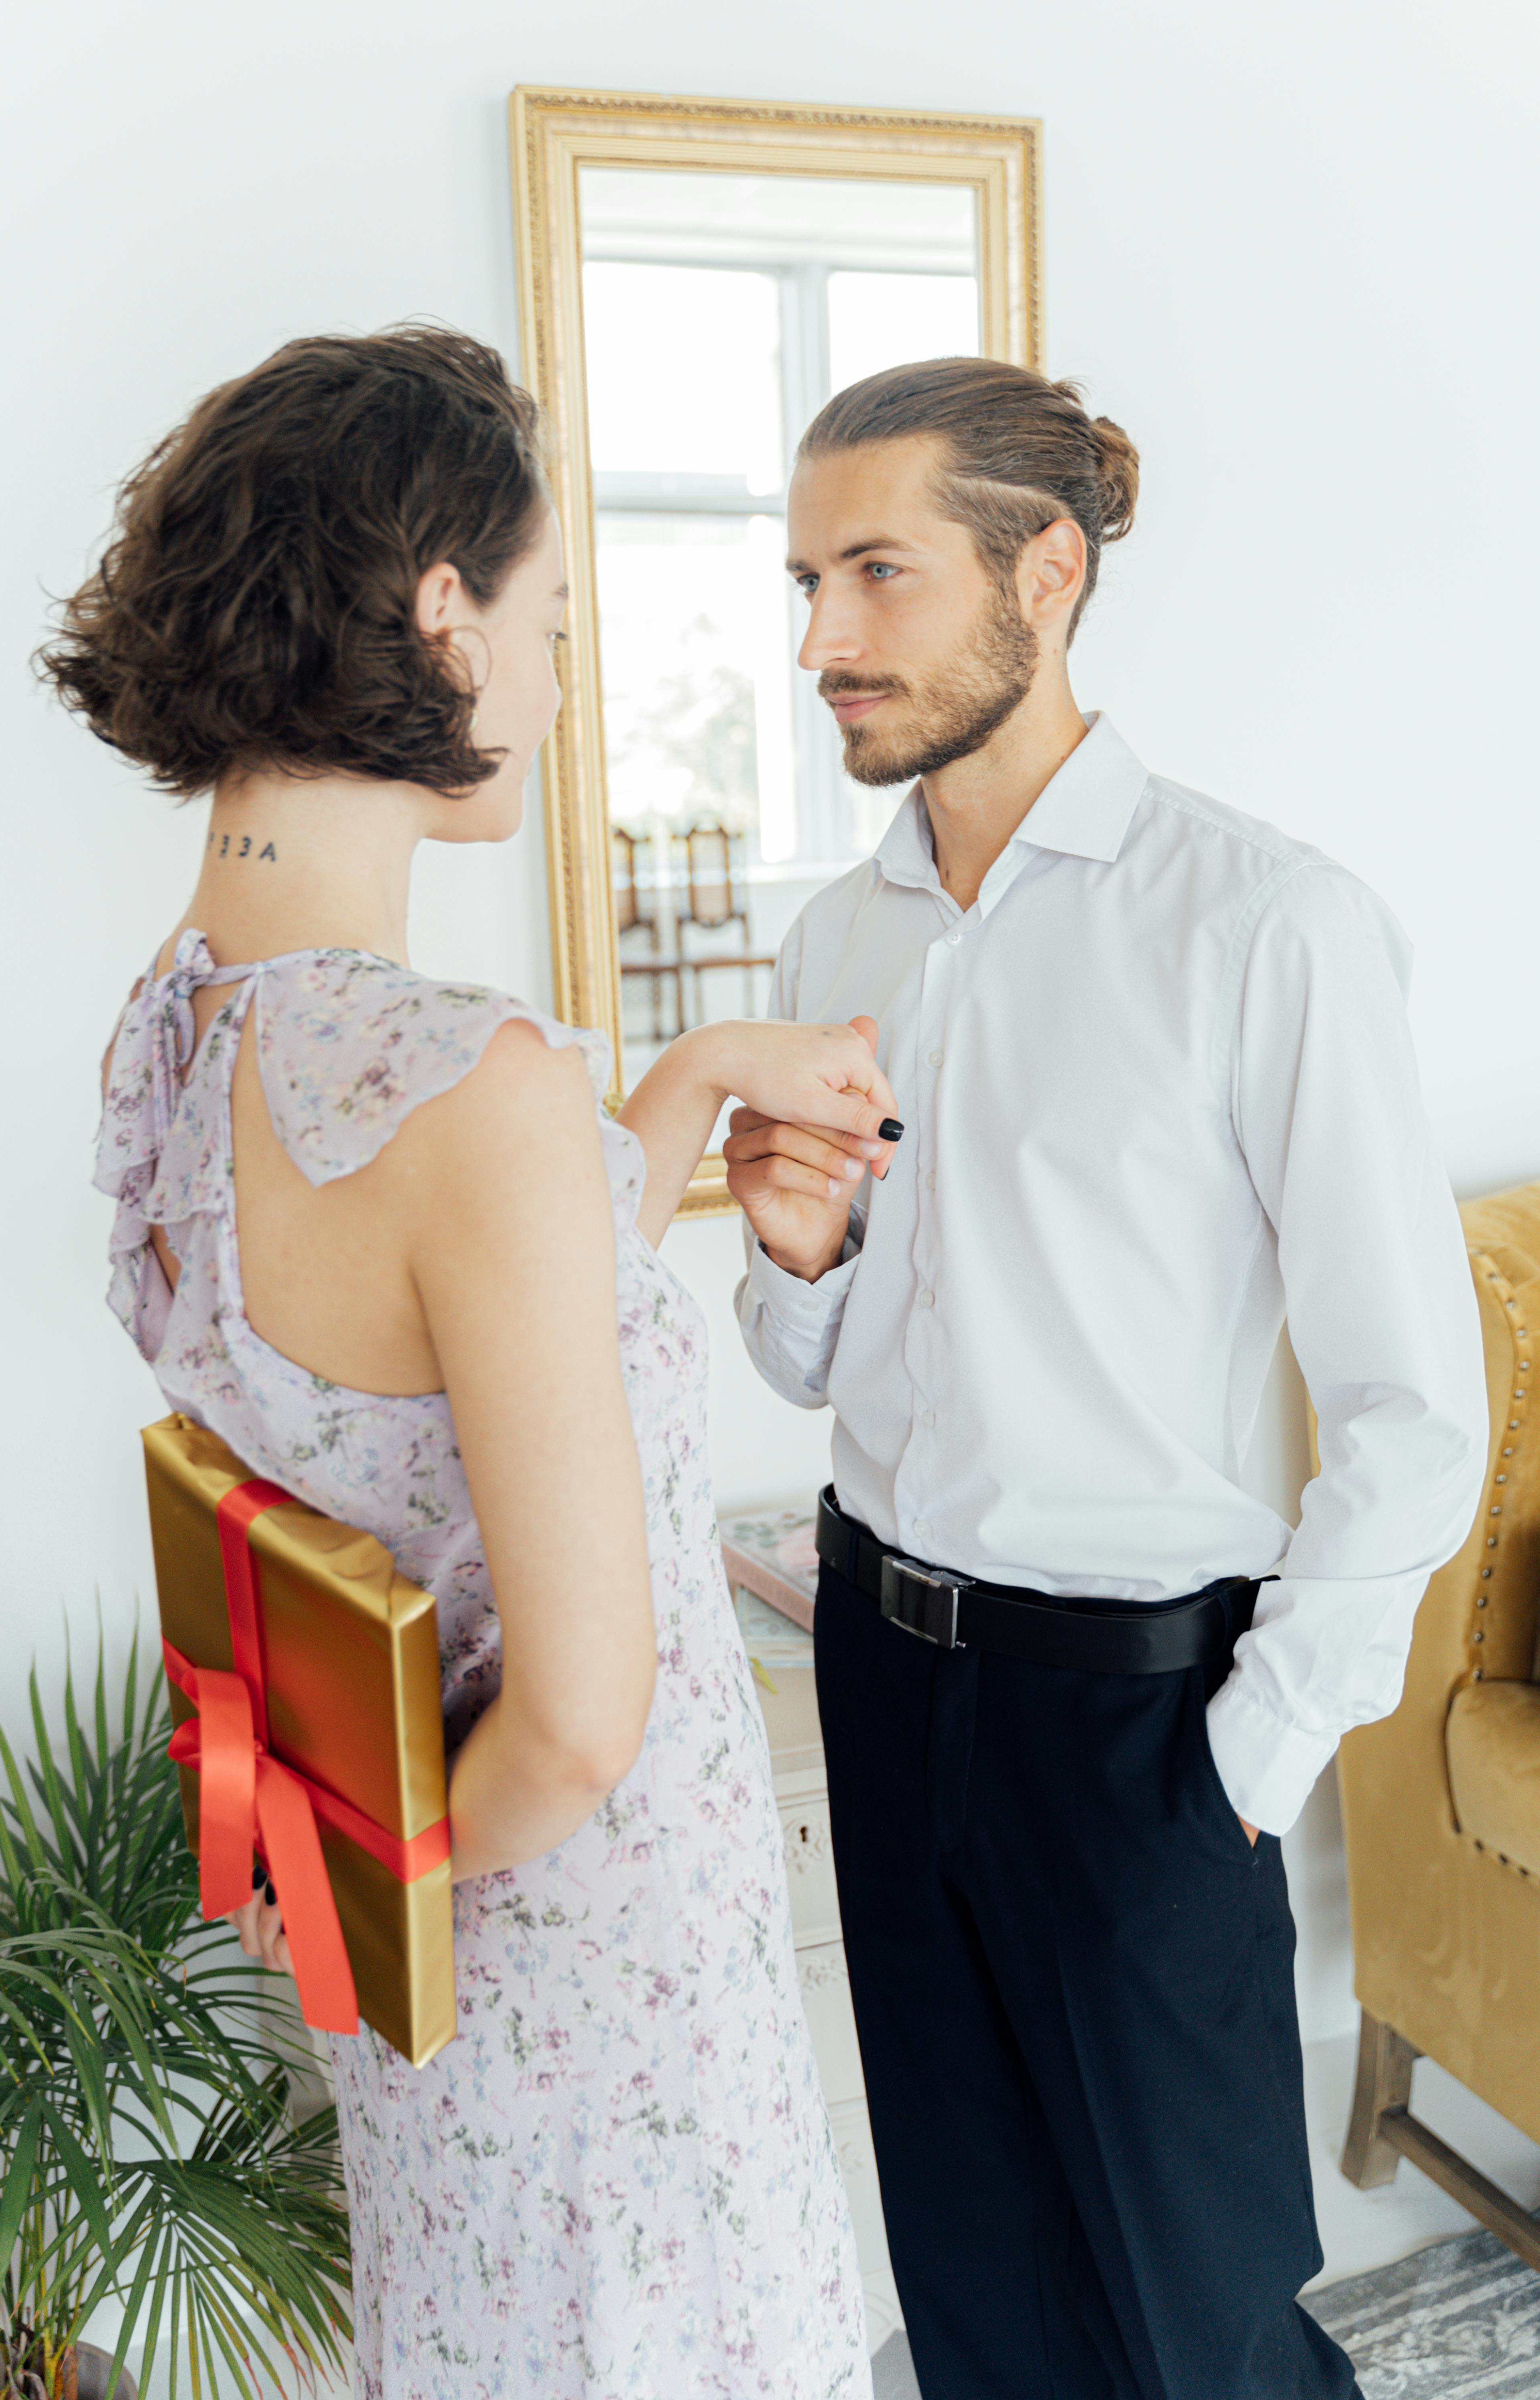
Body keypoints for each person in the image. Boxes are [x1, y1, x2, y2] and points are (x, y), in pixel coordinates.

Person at [47, 325, 900, 2400]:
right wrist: (379, 1872)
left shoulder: (171, 1034)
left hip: (404, 1969)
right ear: (440, 613)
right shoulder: (467, 1084)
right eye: (548, 617)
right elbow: (585, 1726)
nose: (552, 673)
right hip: (610, 1997)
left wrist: (687, 1085)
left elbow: (407, 1365)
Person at [725, 356, 1488, 2400]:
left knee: (1204, 2332)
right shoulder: (836, 945)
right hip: (887, 1679)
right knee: (970, 2299)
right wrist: (796, 1266)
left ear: (1041, 571)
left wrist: (1244, 1764)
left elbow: (1419, 1411)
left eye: (876, 574)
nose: (821, 641)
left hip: (1139, 1723)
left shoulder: (1267, 926)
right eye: (804, 581)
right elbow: (818, 1354)